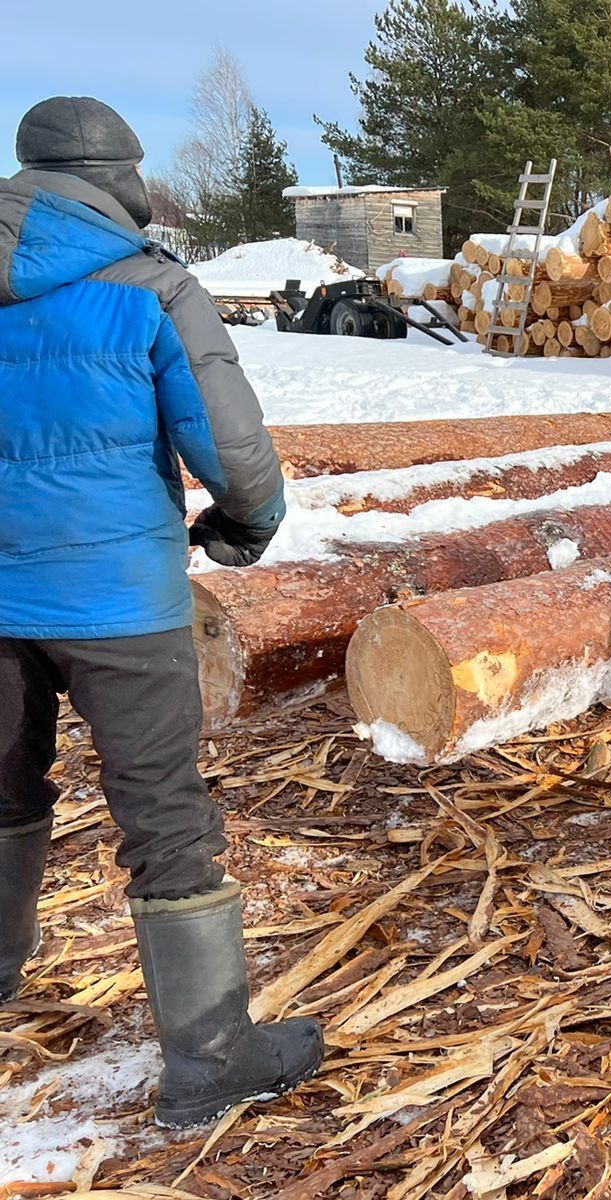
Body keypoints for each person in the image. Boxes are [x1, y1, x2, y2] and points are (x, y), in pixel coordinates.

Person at [0, 97, 322, 1128]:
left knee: (1, 789)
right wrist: (247, 526)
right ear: (122, 179)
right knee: (165, 819)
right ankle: (212, 1055)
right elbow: (232, 453)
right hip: (117, 604)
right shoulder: (152, 286)